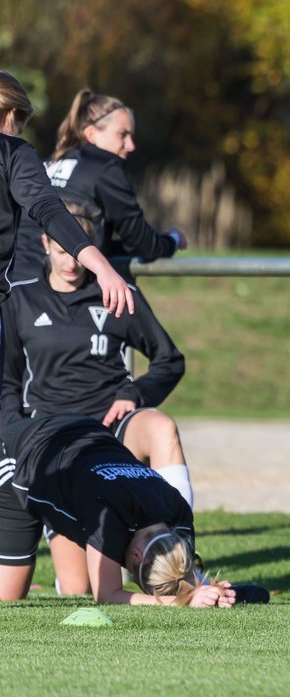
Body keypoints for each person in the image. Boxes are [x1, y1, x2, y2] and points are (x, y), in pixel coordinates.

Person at [2, 200, 191, 595]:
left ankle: (179, 559)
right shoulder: (19, 300)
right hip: (56, 441)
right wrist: (16, 432)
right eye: (61, 249)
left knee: (161, 427)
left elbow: (169, 360)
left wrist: (135, 393)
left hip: (111, 425)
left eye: (80, 251)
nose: (71, 261)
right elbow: (6, 383)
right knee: (78, 591)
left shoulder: (116, 292)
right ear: (44, 243)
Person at [0, 414, 230, 606]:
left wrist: (211, 591)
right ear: (136, 556)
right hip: (21, 452)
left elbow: (180, 572)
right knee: (6, 598)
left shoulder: (178, 517)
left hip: (83, 441)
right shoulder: (108, 516)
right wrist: (183, 602)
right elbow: (107, 595)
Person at [12, 87, 187, 279]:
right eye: (123, 134)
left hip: (14, 280)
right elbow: (143, 245)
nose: (131, 145)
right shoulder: (106, 169)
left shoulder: (50, 162)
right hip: (53, 288)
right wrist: (173, 239)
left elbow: (85, 239)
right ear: (92, 134)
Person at [0, 72, 133, 319]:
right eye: (19, 129)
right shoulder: (12, 152)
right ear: (10, 115)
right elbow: (48, 210)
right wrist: (102, 267)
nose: (16, 135)